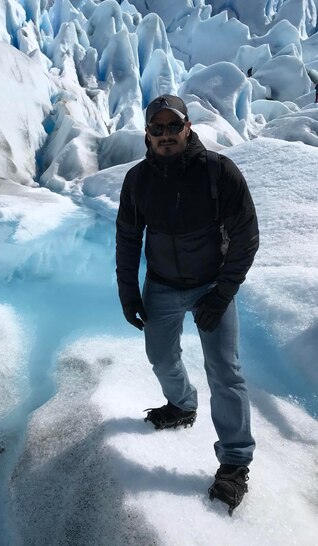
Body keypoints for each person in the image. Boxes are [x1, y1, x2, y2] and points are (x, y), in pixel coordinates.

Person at [116, 94, 259, 514]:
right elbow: (128, 239)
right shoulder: (138, 180)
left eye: (172, 127)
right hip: (161, 285)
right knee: (160, 356)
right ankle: (182, 405)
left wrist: (222, 294)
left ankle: (234, 463)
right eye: (156, 129)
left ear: (188, 127)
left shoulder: (218, 172)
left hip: (211, 285)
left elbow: (246, 238)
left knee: (225, 372)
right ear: (147, 133)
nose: (165, 135)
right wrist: (128, 291)